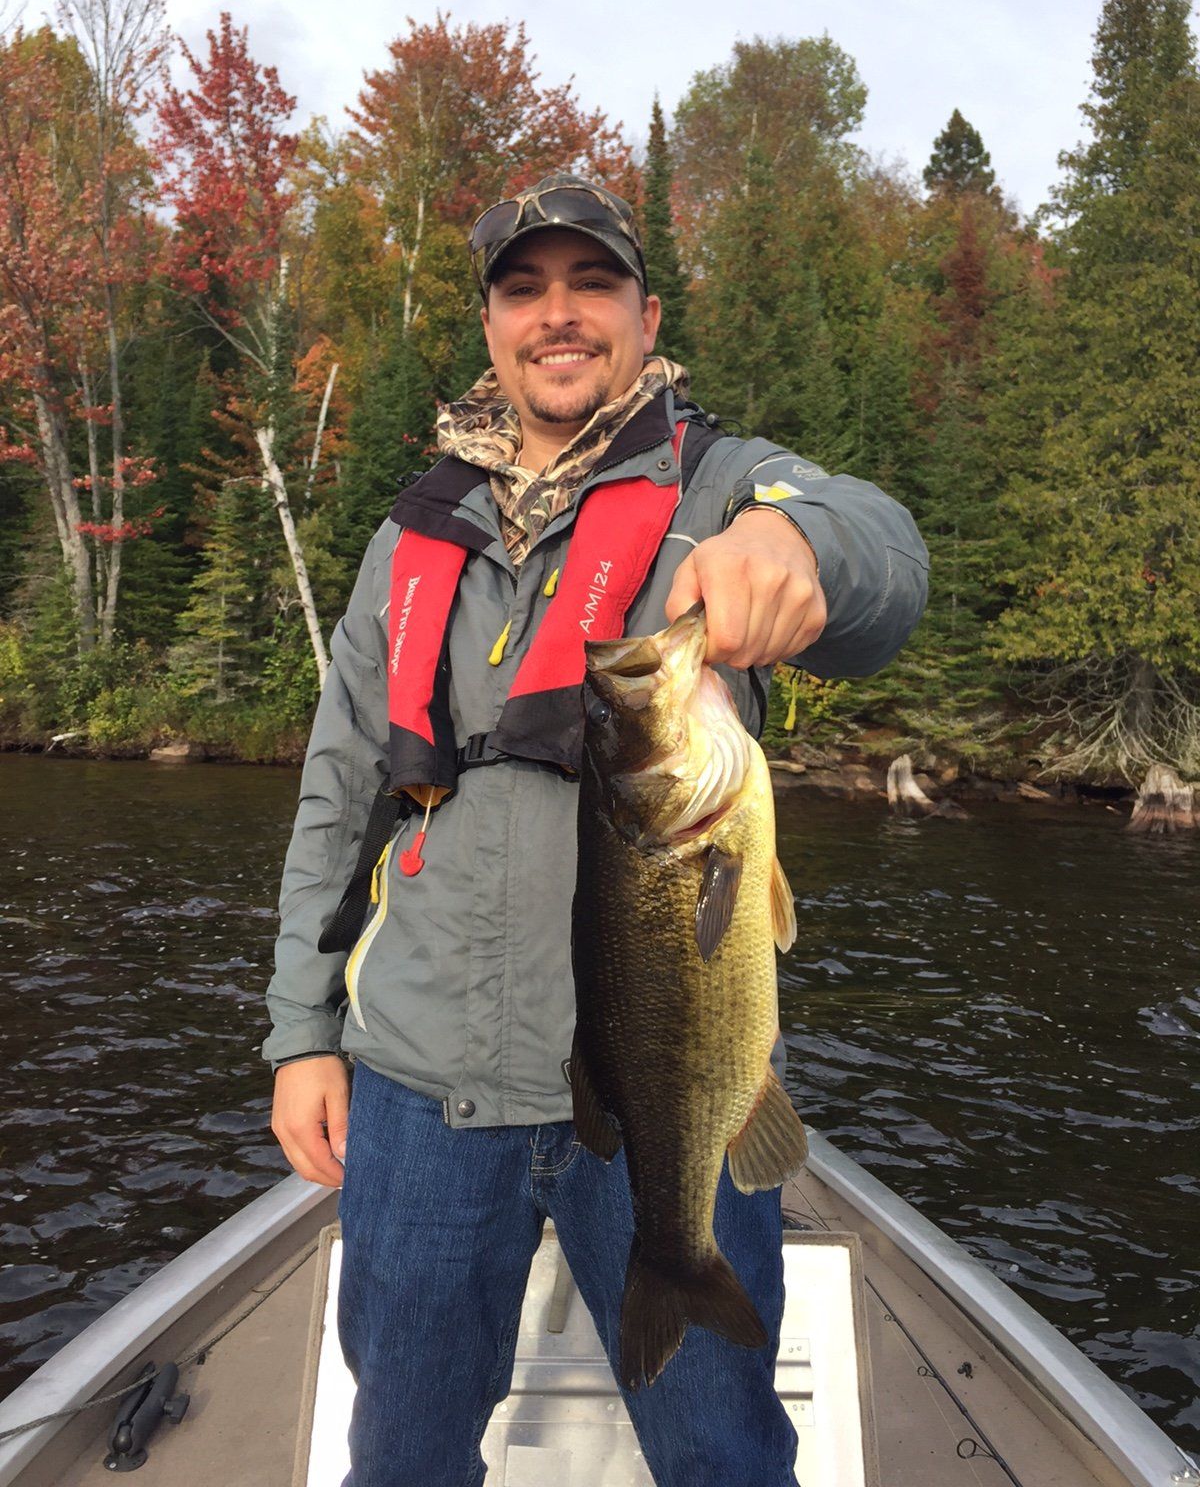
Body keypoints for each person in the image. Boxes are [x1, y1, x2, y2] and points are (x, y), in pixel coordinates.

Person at [265, 173, 928, 1487]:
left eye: (592, 283)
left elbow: (884, 558)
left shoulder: (727, 482)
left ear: (645, 311)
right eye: (525, 288)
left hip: (674, 1092)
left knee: (726, 1451)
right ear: (492, 326)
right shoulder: (409, 542)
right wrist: (300, 1036)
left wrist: (806, 555)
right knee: (400, 1449)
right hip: (420, 1081)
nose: (558, 314)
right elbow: (338, 799)